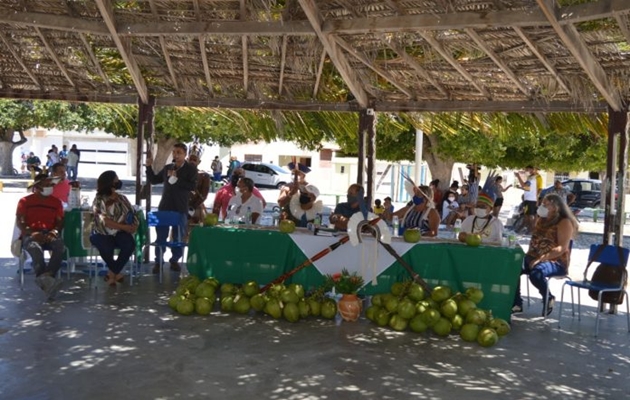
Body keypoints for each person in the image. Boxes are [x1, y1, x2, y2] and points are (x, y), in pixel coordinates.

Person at [512, 193, 578, 316]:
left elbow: (562, 248)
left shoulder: (564, 222)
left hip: (555, 261)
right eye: (542, 203)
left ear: (556, 207)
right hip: (533, 256)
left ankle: (548, 297)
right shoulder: (541, 220)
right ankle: (516, 303)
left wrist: (541, 259)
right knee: (512, 269)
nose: (542, 206)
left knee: (536, 273)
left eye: (546, 205)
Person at [145, 143, 198, 273]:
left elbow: (192, 186)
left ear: (185, 154)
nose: (176, 155)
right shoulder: (168, 167)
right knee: (161, 236)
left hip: (180, 207)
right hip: (165, 207)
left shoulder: (191, 169)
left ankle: (175, 260)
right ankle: (158, 261)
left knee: (178, 236)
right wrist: (148, 167)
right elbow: (154, 180)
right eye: (174, 152)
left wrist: (176, 178)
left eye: (179, 152)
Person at [15, 173, 65, 300]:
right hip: (30, 233)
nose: (50, 187)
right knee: (35, 249)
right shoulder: (25, 201)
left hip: (50, 233)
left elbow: (60, 221)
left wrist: (54, 231)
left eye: (50, 184)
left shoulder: (56, 202)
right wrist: (32, 233)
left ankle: (47, 277)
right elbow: (20, 222)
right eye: (46, 185)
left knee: (59, 246)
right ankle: (48, 282)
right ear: (37, 187)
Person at [90, 171, 139, 286]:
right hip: (102, 233)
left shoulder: (122, 198)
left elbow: (132, 213)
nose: (118, 182)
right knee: (106, 247)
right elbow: (104, 221)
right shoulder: (99, 200)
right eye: (116, 180)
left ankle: (111, 273)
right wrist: (124, 227)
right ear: (109, 183)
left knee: (129, 244)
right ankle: (116, 272)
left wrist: (133, 226)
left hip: (120, 232)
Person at [187, 149, 211, 226]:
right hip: (182, 207)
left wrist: (192, 208)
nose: (192, 161)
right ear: (187, 160)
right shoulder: (180, 173)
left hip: (196, 208)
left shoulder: (204, 176)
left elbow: (204, 195)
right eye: (190, 159)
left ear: (199, 162)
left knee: (194, 232)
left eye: (194, 160)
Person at [514, 166, 538, 233]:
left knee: (529, 216)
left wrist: (518, 176)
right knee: (526, 216)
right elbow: (527, 188)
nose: (525, 171)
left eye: (527, 170)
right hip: (530, 200)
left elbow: (524, 185)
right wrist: (520, 188)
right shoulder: (531, 178)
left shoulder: (531, 178)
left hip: (530, 200)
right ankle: (524, 230)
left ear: (531, 170)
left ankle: (531, 230)